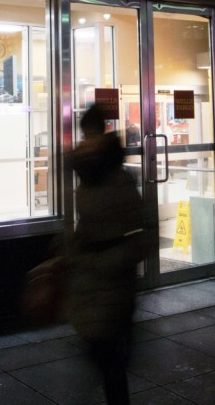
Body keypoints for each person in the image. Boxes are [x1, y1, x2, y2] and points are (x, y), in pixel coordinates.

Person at [66, 106, 147, 405]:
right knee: (102, 351)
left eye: (91, 135)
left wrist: (113, 259)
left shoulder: (116, 179)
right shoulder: (87, 177)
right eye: (85, 135)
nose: (87, 143)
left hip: (112, 277)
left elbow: (142, 230)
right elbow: (85, 223)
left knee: (108, 356)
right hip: (92, 276)